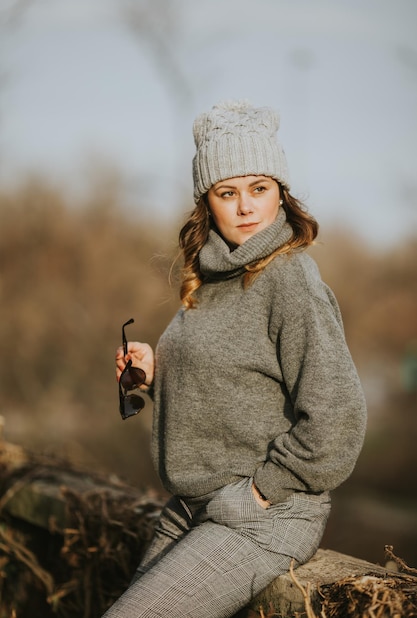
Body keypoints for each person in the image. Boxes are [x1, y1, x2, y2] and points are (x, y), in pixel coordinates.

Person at [105, 101, 367, 618]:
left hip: (263, 514)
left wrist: (261, 494)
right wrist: (159, 375)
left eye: (260, 188)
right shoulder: (211, 278)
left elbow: (337, 419)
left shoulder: (290, 280)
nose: (246, 207)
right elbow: (238, 386)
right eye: (228, 192)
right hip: (190, 506)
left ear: (281, 195)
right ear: (208, 203)